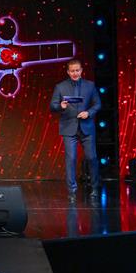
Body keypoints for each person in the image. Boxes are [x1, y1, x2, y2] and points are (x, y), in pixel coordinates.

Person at [50, 59, 101, 203]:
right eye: (72, 71)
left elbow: (97, 104)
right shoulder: (60, 87)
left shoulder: (90, 85)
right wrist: (60, 106)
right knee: (71, 159)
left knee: (92, 158)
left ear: (81, 70)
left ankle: (95, 188)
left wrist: (88, 113)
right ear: (68, 72)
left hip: (86, 127)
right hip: (69, 128)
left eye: (77, 70)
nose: (75, 73)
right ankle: (72, 191)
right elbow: (52, 106)